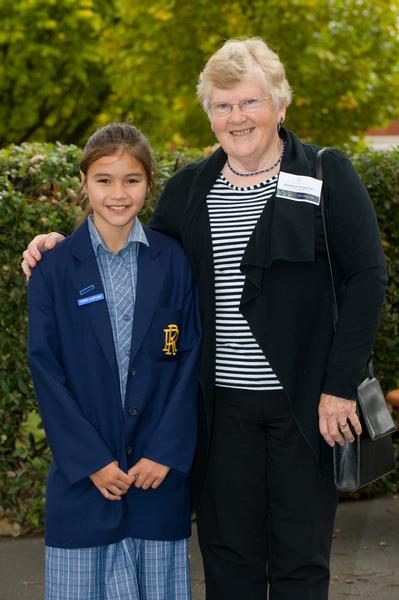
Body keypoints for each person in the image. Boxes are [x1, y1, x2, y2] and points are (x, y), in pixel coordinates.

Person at [22, 39, 387, 600]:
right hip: (220, 412)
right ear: (210, 115)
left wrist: (339, 387)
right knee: (229, 560)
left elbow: (367, 278)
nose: (236, 117)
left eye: (248, 102)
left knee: (300, 561)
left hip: (305, 408)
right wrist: (60, 246)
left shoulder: (325, 173)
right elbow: (136, 250)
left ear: (280, 104)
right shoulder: (192, 188)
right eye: (222, 105)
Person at [27, 122, 201, 600]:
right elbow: (45, 369)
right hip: (84, 481)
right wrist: (93, 461)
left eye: (132, 180)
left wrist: (165, 451)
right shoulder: (54, 270)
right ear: (83, 182)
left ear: (149, 183)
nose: (118, 193)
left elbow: (189, 361)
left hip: (156, 479)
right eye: (104, 180)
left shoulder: (173, 263)